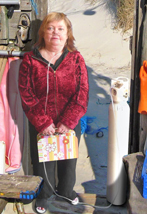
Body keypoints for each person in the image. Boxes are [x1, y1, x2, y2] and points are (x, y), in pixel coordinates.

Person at [18, 12, 89, 214]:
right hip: (42, 123)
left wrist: (68, 121)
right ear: (43, 33)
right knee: (43, 163)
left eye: (60, 29)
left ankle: (66, 190)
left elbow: (82, 92)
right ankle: (44, 195)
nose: (55, 33)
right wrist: (42, 122)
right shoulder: (30, 60)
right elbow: (26, 93)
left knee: (69, 161)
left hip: (69, 122)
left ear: (68, 35)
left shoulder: (76, 59)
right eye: (50, 28)